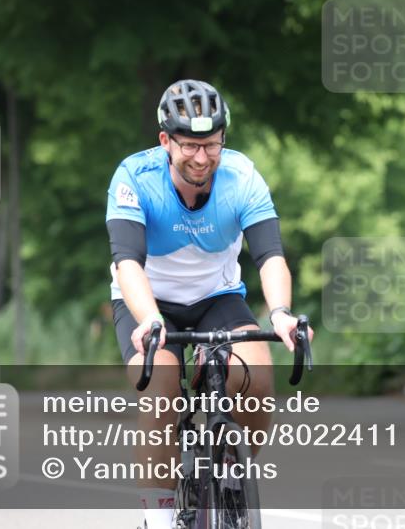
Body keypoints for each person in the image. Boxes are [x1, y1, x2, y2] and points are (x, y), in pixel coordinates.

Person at [106, 79, 312, 529]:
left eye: (212, 145)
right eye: (190, 146)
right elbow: (127, 262)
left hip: (216, 297)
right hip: (147, 301)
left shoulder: (242, 177)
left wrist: (279, 313)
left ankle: (229, 479)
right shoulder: (134, 177)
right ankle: (158, 515)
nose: (202, 157)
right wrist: (151, 320)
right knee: (160, 387)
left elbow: (270, 255)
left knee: (258, 379)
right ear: (166, 141)